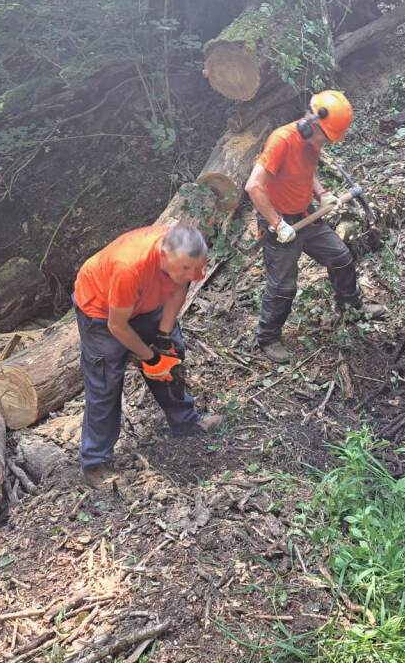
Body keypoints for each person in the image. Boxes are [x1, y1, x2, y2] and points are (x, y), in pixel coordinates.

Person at [73, 224, 223, 487]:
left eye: (195, 268)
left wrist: (163, 338)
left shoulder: (187, 253)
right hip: (102, 311)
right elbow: (117, 326)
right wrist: (150, 358)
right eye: (185, 269)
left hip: (145, 302)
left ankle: (185, 422)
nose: (191, 274)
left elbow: (179, 288)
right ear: (164, 256)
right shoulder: (129, 267)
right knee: (105, 381)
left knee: (171, 358)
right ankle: (95, 463)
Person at [244, 89, 384, 364]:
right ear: (313, 123)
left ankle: (352, 307)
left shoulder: (312, 141)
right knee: (283, 285)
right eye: (326, 137)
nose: (326, 143)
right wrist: (277, 223)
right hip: (279, 223)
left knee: (341, 258)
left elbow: (306, 171)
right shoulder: (282, 140)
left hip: (306, 215)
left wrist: (321, 194)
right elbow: (253, 186)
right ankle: (268, 337)